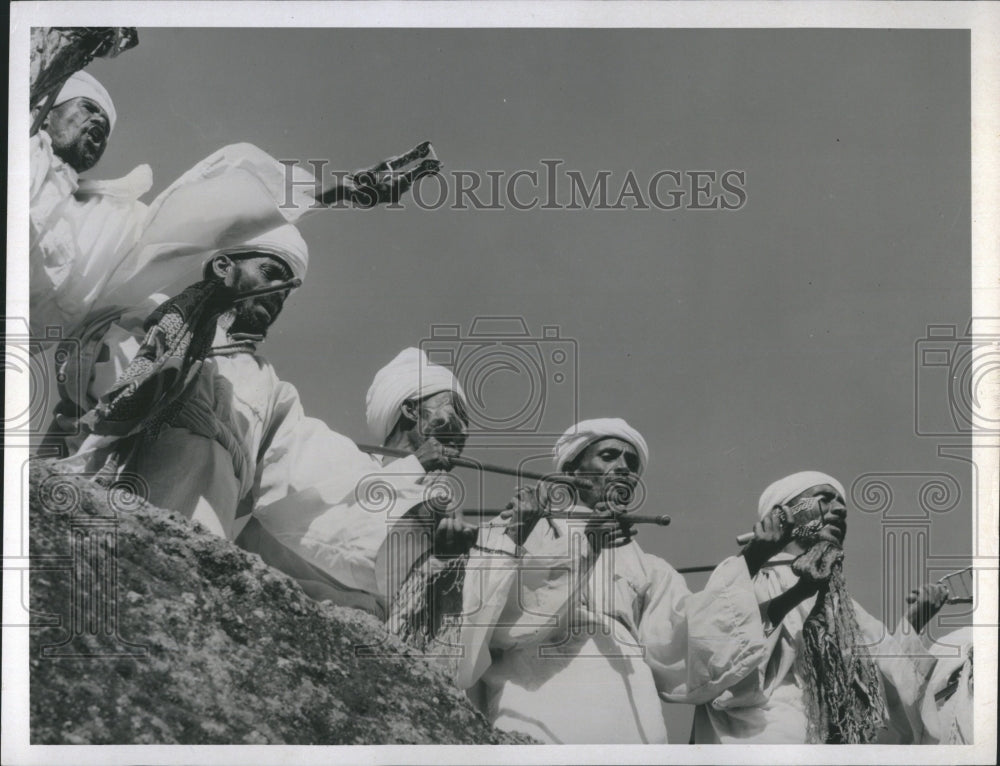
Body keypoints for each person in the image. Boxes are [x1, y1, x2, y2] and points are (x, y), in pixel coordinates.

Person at [29, 68, 439, 341]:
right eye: (88, 108)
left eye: (105, 124)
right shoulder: (24, 149)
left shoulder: (111, 220)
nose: (97, 124)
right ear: (46, 112)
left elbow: (198, 211)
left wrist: (337, 193)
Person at [446, 418, 770, 744]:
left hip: (629, 710)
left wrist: (752, 560)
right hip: (541, 700)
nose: (624, 468)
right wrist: (584, 548)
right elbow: (494, 622)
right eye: (609, 456)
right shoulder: (520, 528)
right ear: (571, 470)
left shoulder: (647, 565)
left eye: (631, 463)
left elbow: (682, 641)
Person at [691, 471, 939, 744]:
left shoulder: (846, 606)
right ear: (783, 514)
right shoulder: (747, 577)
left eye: (842, 505)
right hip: (767, 740)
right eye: (824, 499)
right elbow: (714, 653)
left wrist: (914, 622)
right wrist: (760, 562)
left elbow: (885, 683)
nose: (840, 509)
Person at [237, 347, 478, 618]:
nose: (464, 431)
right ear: (411, 410)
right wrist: (413, 467)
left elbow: (410, 612)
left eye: (466, 422)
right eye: (455, 412)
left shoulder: (434, 502)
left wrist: (445, 558)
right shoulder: (336, 452)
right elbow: (325, 519)